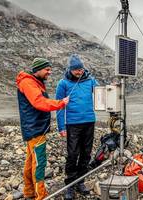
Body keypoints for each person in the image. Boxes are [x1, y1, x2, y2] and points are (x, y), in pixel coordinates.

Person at [16, 57, 69, 200]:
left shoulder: (33, 82)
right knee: (39, 162)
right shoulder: (28, 83)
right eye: (47, 69)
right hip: (35, 129)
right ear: (38, 69)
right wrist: (60, 103)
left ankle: (29, 192)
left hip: (34, 128)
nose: (49, 72)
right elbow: (39, 102)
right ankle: (41, 196)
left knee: (30, 160)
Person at [56, 54, 98, 199]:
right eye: (76, 70)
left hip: (89, 121)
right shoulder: (63, 83)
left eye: (80, 69)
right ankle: (70, 185)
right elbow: (59, 106)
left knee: (86, 154)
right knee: (73, 154)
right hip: (72, 124)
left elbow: (101, 94)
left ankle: (80, 181)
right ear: (70, 69)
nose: (79, 72)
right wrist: (61, 127)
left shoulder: (90, 80)